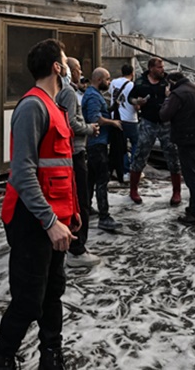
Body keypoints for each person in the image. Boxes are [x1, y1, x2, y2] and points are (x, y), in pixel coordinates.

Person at [0, 38, 79, 370]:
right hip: (32, 220)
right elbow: (22, 173)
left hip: (55, 219)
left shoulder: (56, 107)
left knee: (53, 292)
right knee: (28, 301)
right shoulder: (33, 107)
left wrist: (72, 215)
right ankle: (2, 359)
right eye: (66, 61)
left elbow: (61, 168)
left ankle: (51, 355)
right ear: (57, 67)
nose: (69, 67)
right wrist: (51, 221)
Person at [56, 57, 101, 267]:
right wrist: (90, 128)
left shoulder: (65, 91)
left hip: (71, 153)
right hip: (74, 153)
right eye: (78, 69)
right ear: (69, 70)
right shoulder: (67, 93)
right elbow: (70, 123)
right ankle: (77, 249)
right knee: (81, 202)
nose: (80, 73)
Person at [159, 72, 195, 225]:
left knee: (193, 178)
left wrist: (167, 97)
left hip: (188, 140)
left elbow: (164, 115)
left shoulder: (177, 94)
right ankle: (194, 208)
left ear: (172, 82)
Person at [127, 57, 182, 206]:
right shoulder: (140, 82)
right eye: (159, 67)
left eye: (162, 67)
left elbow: (180, 96)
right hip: (148, 122)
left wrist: (170, 96)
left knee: (173, 156)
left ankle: (176, 192)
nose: (162, 70)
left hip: (166, 123)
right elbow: (129, 97)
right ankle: (133, 190)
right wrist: (136, 102)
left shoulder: (168, 81)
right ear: (151, 68)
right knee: (140, 155)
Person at [83, 67, 123, 231]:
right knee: (101, 180)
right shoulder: (92, 96)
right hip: (96, 144)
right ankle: (104, 217)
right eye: (107, 79)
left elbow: (101, 112)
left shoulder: (95, 95)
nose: (109, 82)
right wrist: (113, 122)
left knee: (90, 180)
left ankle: (86, 208)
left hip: (96, 144)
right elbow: (94, 119)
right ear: (99, 79)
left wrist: (113, 108)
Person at [108, 64, 138, 182]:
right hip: (130, 119)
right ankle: (133, 168)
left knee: (121, 146)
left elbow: (111, 95)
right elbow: (136, 105)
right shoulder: (132, 85)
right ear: (132, 73)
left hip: (116, 119)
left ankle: (124, 171)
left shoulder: (113, 82)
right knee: (136, 143)